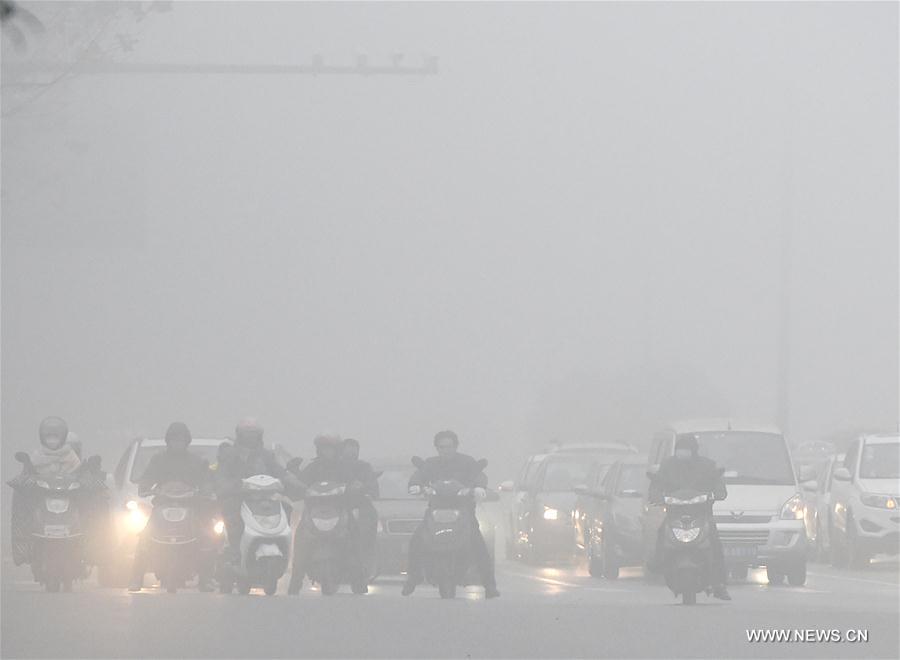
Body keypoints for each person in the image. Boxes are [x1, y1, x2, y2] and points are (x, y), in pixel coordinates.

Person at [402, 430, 499, 598]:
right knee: (416, 541)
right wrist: (415, 485)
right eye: (441, 447)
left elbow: (479, 475)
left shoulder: (467, 462)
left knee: (478, 544)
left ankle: (489, 585)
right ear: (436, 448)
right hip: (435, 511)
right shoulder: (430, 464)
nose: (445, 450)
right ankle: (414, 576)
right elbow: (419, 475)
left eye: (448, 446)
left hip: (464, 512)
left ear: (455, 446)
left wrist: (479, 487)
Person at [128, 422, 214, 592]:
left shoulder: (196, 461)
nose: (177, 443)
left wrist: (205, 491)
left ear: (187, 441)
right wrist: (146, 488)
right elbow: (146, 479)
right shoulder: (158, 459)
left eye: (181, 440)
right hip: (162, 505)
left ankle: (206, 579)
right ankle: (136, 578)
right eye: (174, 440)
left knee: (205, 537)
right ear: (168, 441)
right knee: (145, 537)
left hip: (190, 506)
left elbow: (206, 481)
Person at [650, 434, 731, 600]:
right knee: (660, 532)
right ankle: (656, 563)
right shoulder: (667, 466)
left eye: (686, 450)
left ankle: (719, 583)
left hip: (702, 514)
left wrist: (717, 493)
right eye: (680, 449)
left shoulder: (707, 466)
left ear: (694, 451)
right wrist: (656, 496)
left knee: (714, 542)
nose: (683, 453)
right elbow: (656, 484)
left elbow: (718, 485)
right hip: (674, 513)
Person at [215, 418, 300, 566]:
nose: (250, 438)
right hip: (239, 500)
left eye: (253, 435)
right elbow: (221, 476)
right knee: (232, 516)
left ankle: (283, 546)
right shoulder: (230, 456)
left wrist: (297, 486)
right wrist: (231, 486)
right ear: (240, 436)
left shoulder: (266, 456)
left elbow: (280, 472)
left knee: (286, 508)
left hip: (264, 499)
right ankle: (235, 550)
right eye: (247, 435)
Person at [287, 432, 356, 594]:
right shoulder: (312, 468)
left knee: (354, 535)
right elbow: (300, 484)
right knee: (300, 539)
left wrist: (356, 488)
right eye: (324, 448)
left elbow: (353, 483)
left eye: (331, 448)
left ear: (337, 450)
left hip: (339, 511)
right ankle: (295, 581)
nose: (327, 452)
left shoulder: (344, 468)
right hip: (313, 512)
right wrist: (294, 485)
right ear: (319, 450)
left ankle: (358, 579)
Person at [10, 417, 82, 567]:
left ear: (62, 438)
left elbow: (80, 475)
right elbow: (27, 476)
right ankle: (24, 549)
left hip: (69, 501)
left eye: (55, 437)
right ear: (42, 438)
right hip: (41, 502)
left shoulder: (72, 457)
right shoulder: (36, 457)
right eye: (49, 437)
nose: (52, 441)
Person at [341, 438, 379, 580]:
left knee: (367, 533)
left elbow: (373, 487)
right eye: (347, 450)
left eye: (354, 450)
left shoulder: (365, 467)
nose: (351, 453)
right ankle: (298, 575)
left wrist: (365, 488)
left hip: (360, 506)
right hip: (338, 507)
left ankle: (364, 567)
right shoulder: (334, 466)